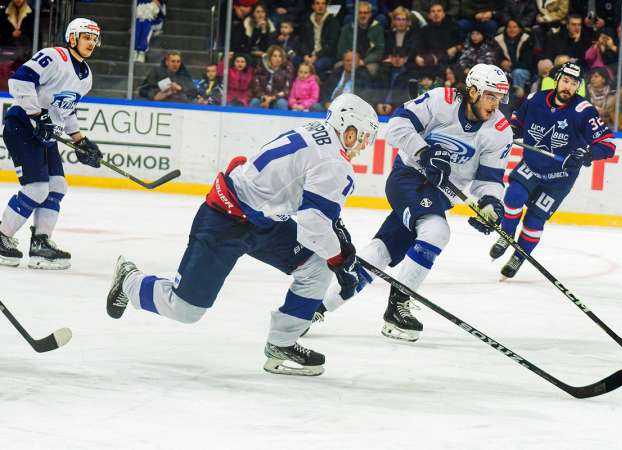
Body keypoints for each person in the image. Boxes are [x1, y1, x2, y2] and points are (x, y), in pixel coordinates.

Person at [106, 94, 379, 376]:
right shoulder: (334, 162)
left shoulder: (316, 133)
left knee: (315, 266)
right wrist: (339, 259)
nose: (363, 146)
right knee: (185, 310)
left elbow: (307, 201)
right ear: (349, 131)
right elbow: (313, 228)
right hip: (225, 221)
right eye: (363, 138)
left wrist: (336, 238)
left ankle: (282, 343)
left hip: (263, 220)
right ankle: (130, 280)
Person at [310, 64, 513, 342]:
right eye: (491, 96)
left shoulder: (499, 130)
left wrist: (490, 205)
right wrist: (424, 152)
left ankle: (315, 309)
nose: (496, 104)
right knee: (436, 231)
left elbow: (489, 179)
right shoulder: (442, 100)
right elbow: (396, 125)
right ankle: (399, 304)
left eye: (500, 98)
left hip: (439, 196)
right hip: (408, 178)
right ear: (473, 91)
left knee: (381, 251)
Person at [491, 63, 616, 278]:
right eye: (565, 81)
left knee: (534, 221)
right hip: (531, 166)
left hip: (559, 178)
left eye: (574, 83)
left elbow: (608, 144)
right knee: (513, 197)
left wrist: (587, 154)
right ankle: (506, 234)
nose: (568, 87)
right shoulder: (535, 99)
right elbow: (517, 121)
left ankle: (518, 257)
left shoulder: (583, 111)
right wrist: (512, 130)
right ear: (557, 80)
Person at [0, 18, 103, 269]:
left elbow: (65, 111)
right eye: (86, 37)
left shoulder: (86, 76)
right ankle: (2, 236)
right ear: (72, 38)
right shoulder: (54, 56)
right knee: (37, 188)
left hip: (45, 133)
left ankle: (41, 244)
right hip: (22, 125)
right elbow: (19, 81)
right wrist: (37, 114)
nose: (91, 43)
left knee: (57, 185)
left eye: (94, 39)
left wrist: (81, 140)